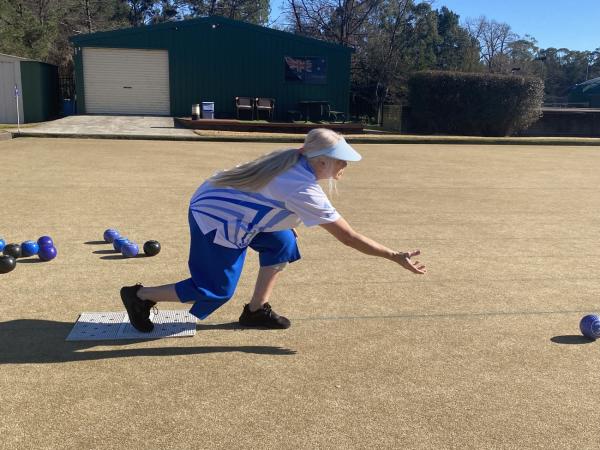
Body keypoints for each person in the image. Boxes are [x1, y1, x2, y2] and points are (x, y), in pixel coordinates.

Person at [121, 128, 426, 332]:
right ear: (321, 161)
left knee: (282, 243)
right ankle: (140, 295)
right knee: (214, 289)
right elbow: (348, 237)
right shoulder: (302, 188)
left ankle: (256, 310)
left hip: (231, 206)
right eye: (341, 161)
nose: (345, 167)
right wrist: (393, 255)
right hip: (216, 216)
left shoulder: (299, 156)